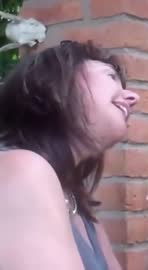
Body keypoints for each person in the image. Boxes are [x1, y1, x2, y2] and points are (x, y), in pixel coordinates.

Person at [0, 40, 139, 270]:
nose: (133, 98)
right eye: (110, 77)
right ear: (54, 83)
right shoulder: (22, 168)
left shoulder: (76, 200)